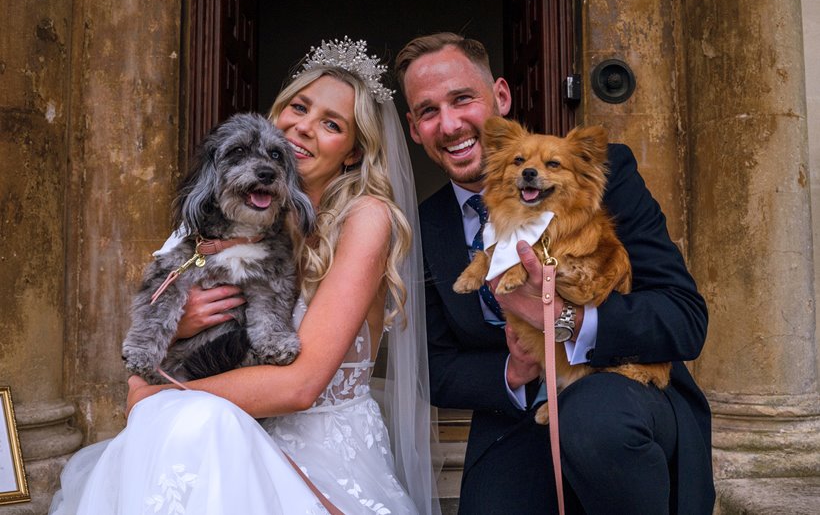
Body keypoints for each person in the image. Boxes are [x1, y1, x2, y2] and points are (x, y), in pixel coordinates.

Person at [50, 37, 440, 515]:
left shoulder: (366, 218)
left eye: (331, 124)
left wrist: (160, 396)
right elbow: (144, 347)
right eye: (299, 107)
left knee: (200, 427)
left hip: (318, 452)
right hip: (227, 434)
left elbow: (299, 386)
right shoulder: (229, 209)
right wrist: (182, 322)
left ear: (354, 153)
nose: (304, 129)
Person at [394, 32, 715, 514]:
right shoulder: (420, 226)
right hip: (518, 416)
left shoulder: (602, 175)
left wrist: (565, 321)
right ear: (414, 128)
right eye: (428, 111)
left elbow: (683, 318)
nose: (451, 124)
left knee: (595, 421)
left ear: (500, 97)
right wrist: (514, 370)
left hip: (621, 395)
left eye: (463, 99)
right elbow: (436, 367)